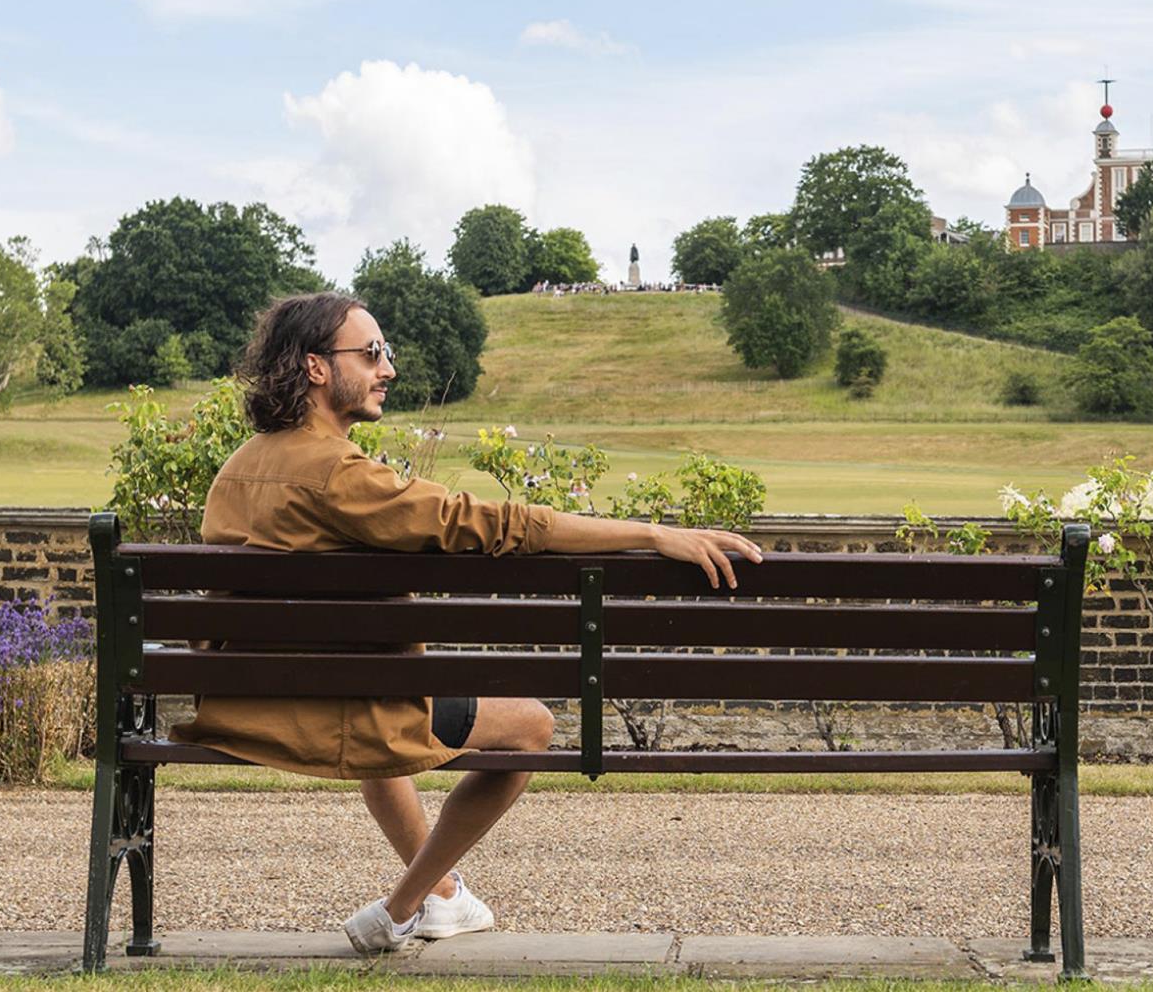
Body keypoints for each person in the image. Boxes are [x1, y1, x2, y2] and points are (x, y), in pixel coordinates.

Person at [167, 292, 762, 954]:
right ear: (314, 368)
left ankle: (443, 897)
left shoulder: (239, 467)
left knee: (372, 686)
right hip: (337, 712)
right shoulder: (338, 472)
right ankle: (401, 908)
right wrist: (651, 534)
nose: (387, 368)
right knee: (531, 726)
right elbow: (490, 523)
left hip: (247, 704)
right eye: (370, 354)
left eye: (384, 353)